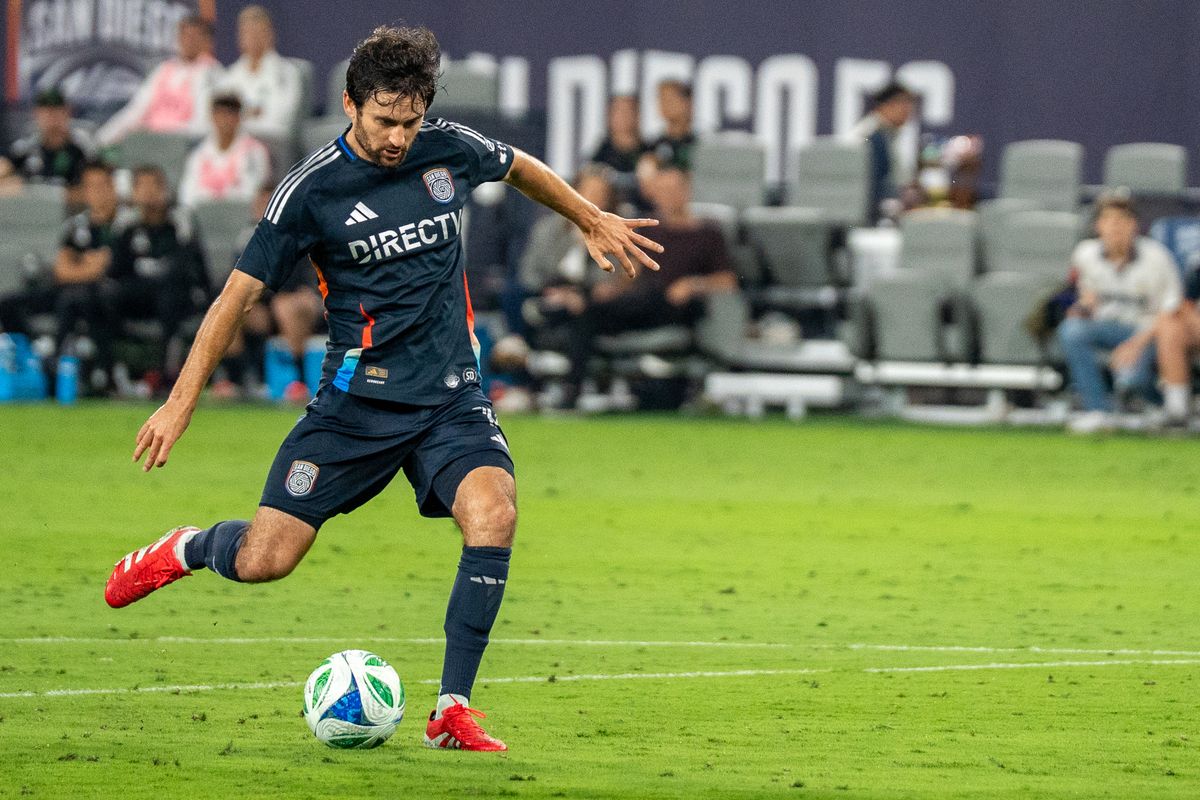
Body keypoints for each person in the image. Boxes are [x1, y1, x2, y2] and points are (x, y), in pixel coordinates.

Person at [102, 25, 662, 752]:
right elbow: (235, 298)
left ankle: (451, 710)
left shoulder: (446, 149)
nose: (399, 138)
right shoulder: (310, 192)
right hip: (355, 404)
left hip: (450, 396)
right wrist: (180, 402)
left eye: (411, 121)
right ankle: (189, 547)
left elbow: (518, 165)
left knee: (494, 514)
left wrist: (589, 217)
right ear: (350, 104)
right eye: (384, 120)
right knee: (264, 560)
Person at [560, 165, 735, 405]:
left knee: (651, 297)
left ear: (687, 191)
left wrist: (693, 284)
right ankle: (571, 391)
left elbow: (728, 281)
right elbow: (632, 271)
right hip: (643, 302)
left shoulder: (707, 233)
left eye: (673, 190)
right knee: (589, 310)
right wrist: (615, 288)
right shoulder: (647, 230)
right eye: (662, 191)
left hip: (680, 306)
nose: (667, 196)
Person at [1058, 195, 1181, 433]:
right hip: (1106, 327)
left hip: (1148, 331)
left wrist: (1135, 345)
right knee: (1072, 331)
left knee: (1131, 380)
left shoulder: (1156, 257)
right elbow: (1085, 297)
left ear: (1134, 225)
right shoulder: (1085, 254)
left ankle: (1160, 406)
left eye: (1122, 220)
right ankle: (1098, 411)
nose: (1115, 227)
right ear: (1098, 226)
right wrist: (1082, 308)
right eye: (1108, 220)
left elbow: (1172, 312)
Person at [107, 165, 210, 381]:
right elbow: (116, 269)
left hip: (176, 295)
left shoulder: (181, 220)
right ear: (133, 192)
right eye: (142, 187)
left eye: (154, 186)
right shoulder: (125, 224)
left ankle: (168, 369)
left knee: (169, 293)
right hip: (139, 294)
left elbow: (190, 265)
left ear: (165, 190)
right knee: (104, 297)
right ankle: (112, 369)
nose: (148, 193)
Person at [95, 16, 222, 146]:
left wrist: (164, 137)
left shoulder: (211, 73)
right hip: (150, 142)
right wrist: (102, 139)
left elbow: (202, 125)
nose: (188, 41)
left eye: (194, 37)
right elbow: (135, 110)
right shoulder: (164, 69)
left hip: (182, 145)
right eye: (185, 35)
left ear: (207, 42)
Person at [217, 6, 303, 141]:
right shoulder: (229, 77)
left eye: (258, 31)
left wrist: (242, 116)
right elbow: (221, 117)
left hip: (271, 143)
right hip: (235, 143)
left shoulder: (287, 73)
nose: (253, 38)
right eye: (247, 32)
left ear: (270, 35)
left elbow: (282, 117)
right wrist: (252, 112)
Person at [0, 88, 95, 207]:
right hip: (32, 212)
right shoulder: (26, 148)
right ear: (36, 114)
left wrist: (39, 193)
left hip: (73, 213)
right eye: (47, 113)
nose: (52, 119)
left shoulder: (82, 148)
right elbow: (3, 170)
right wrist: (16, 187)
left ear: (67, 112)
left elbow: (96, 190)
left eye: (57, 112)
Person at [178, 93, 272, 208]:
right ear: (212, 117)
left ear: (238, 117)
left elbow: (254, 192)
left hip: (238, 213)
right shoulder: (198, 154)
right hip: (203, 214)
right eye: (220, 114)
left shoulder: (254, 152)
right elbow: (187, 194)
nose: (224, 120)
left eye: (230, 114)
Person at [849, 81, 916, 223]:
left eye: (909, 104)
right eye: (903, 103)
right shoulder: (872, 136)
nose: (907, 110)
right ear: (885, 105)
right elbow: (875, 184)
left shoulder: (887, 134)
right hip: (868, 215)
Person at [589, 96, 647, 208]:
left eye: (628, 111)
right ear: (609, 117)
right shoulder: (601, 153)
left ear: (637, 116)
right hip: (607, 209)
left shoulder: (649, 153)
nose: (624, 117)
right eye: (619, 111)